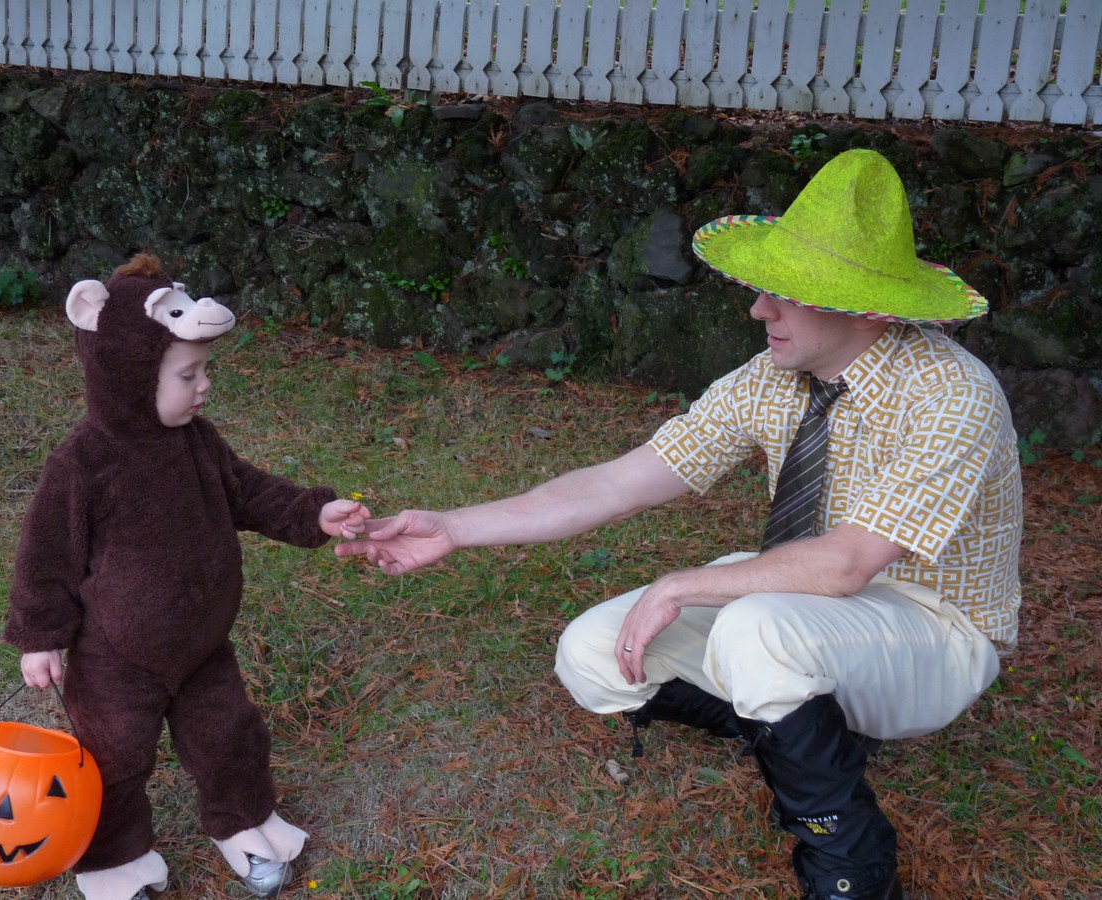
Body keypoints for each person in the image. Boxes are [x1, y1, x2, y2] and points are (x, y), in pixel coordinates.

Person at [336, 149, 1022, 900]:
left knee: (753, 629)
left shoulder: (953, 393)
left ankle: (852, 864)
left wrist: (682, 584)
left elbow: (849, 563)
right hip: (810, 610)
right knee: (593, 655)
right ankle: (805, 728)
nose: (760, 310)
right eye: (764, 289)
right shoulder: (770, 377)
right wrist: (454, 527)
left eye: (787, 295)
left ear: (869, 309)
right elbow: (616, 484)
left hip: (938, 629)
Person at [4, 255, 371, 900]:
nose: (203, 387)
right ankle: (114, 858)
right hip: (117, 657)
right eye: (187, 374)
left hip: (203, 645)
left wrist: (314, 512)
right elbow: (46, 554)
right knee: (114, 759)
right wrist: (41, 636)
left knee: (229, 735)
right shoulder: (83, 463)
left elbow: (249, 493)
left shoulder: (197, 441)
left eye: (203, 371)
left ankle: (244, 823)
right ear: (129, 375)